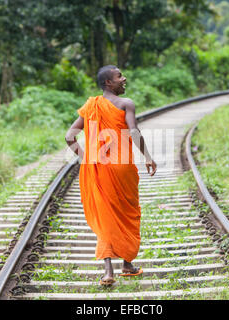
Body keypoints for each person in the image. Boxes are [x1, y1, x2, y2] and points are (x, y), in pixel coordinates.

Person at [65, 65, 157, 285]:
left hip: (97, 168)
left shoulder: (91, 106)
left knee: (106, 215)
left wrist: (86, 158)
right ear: (109, 83)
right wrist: (148, 156)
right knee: (128, 211)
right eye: (119, 77)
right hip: (122, 168)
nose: (124, 79)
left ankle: (108, 272)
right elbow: (133, 131)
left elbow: (70, 137)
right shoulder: (126, 104)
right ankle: (127, 264)